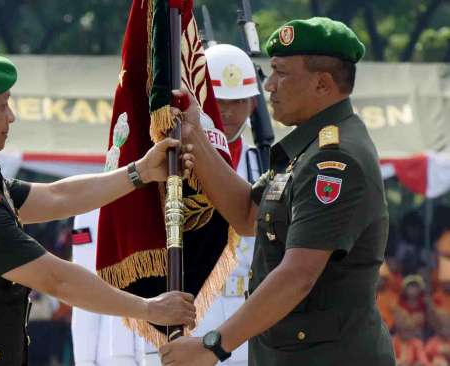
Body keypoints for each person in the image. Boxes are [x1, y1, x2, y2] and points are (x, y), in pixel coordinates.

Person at [0, 47, 197, 366]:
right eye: (2, 107)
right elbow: (55, 278)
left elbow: (56, 197)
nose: (11, 116)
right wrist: (148, 309)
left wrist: (139, 172)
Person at [159, 17, 395, 365]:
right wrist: (195, 133)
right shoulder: (307, 149)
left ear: (322, 84)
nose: (269, 86)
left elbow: (297, 275)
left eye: (281, 73)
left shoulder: (334, 160)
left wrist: (211, 346)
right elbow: (247, 215)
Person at [183, 43, 261, 366]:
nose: (228, 112)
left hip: (250, 316)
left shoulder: (263, 163)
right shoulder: (179, 161)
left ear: (253, 104)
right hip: (194, 316)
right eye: (219, 101)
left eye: (238, 101)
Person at [71, 209, 143, 366]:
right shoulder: (88, 209)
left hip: (163, 339)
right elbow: (84, 284)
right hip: (110, 349)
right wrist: (84, 361)